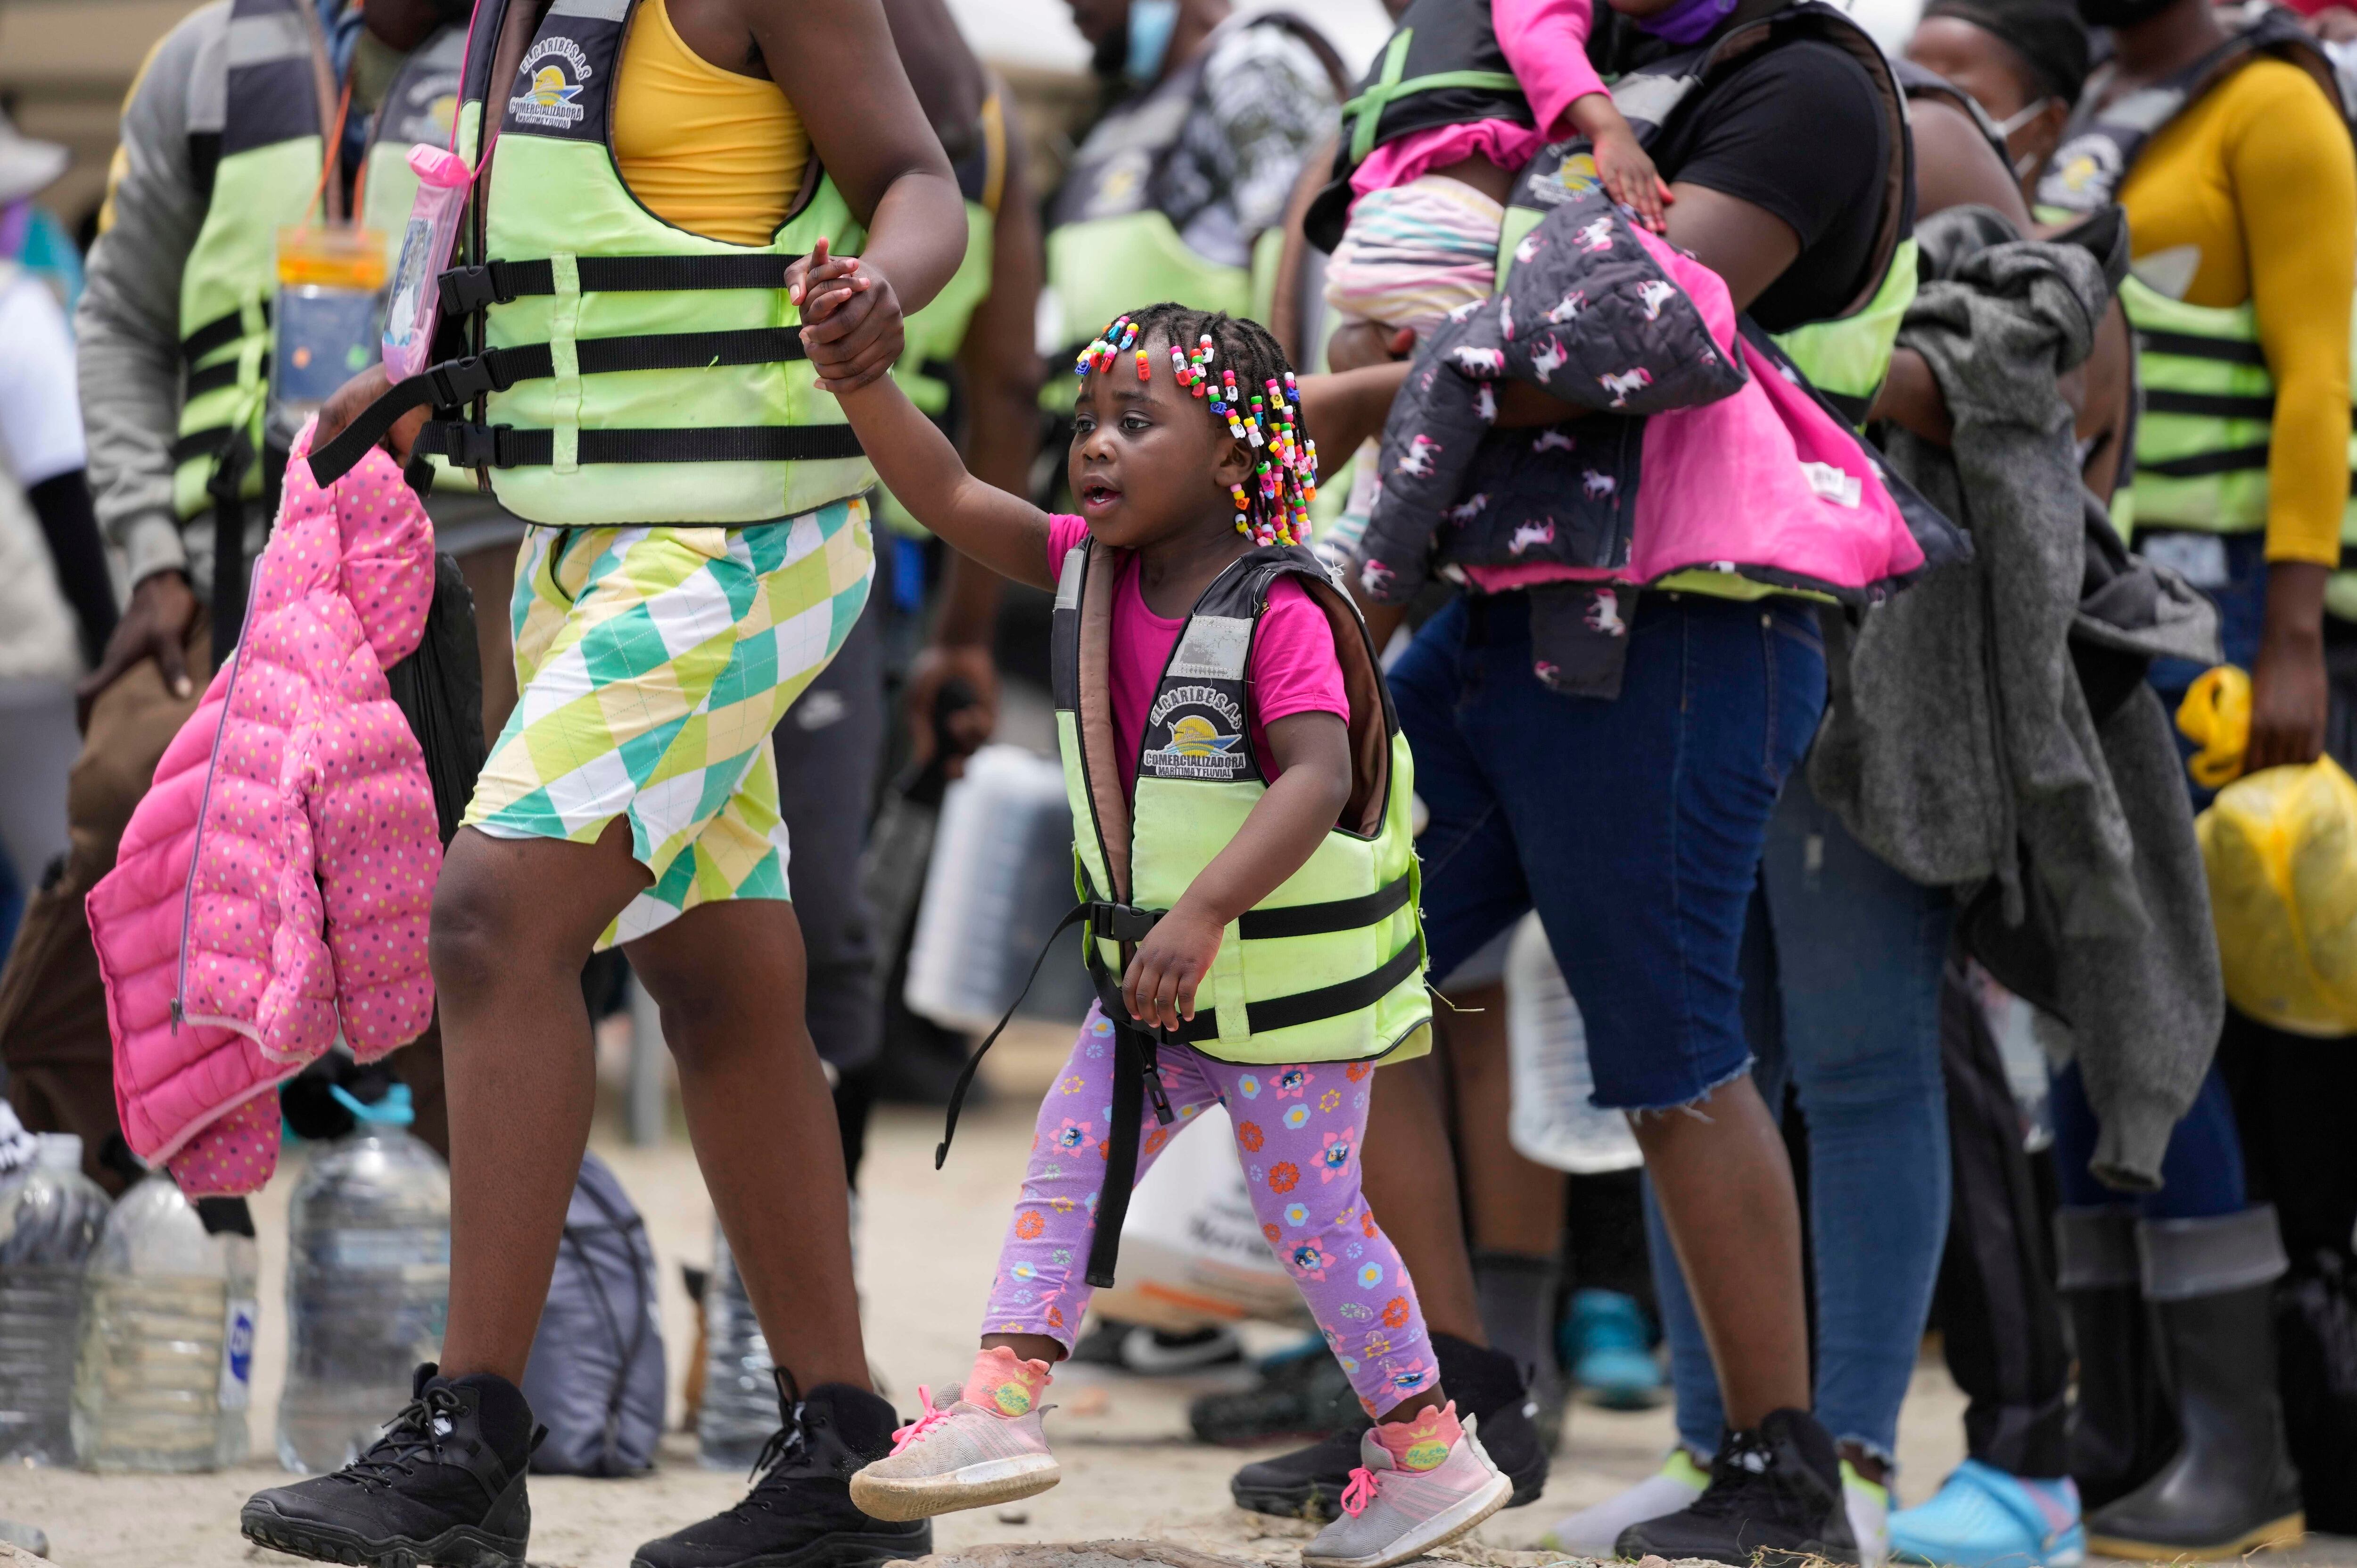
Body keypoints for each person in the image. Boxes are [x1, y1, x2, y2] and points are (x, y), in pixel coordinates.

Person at [235, 1, 968, 1565]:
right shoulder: (513, 13)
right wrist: (414, 387)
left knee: (493, 917)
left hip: (741, 536)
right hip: (583, 545)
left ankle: (472, 1438)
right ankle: (847, 1450)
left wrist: (879, 292)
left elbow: (924, 181)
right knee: (719, 981)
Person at [1243, 0, 1933, 1561]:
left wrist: (1380, 385)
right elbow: (1462, 310)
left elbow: (1621, 339)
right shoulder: (1593, 85)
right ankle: (1449, 1405)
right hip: (1504, 613)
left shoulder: (1807, 87)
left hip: (1679, 636)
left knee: (1671, 1054)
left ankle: (1784, 1475)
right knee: (1329, 957)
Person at [803, 279, 1492, 1568]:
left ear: (1233, 455)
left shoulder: (1280, 607)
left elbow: (1317, 778)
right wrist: (860, 379)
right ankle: (1002, 1399)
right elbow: (945, 493)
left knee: (1318, 1228)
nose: (1098, 446)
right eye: (1088, 423)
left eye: (1138, 421)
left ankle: (1428, 1452)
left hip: (1281, 1004)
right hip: (1157, 1000)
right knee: (1066, 1169)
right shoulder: (1084, 568)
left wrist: (1206, 910)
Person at [0, 0, 502, 1182]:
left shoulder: (537, 54)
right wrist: (149, 558)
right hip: (230, 553)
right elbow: (122, 324)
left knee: (463, 879)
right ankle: (106, 1207)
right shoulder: (203, 62)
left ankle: (465, 1242)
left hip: (456, 549)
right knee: (126, 806)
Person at [2029, 0, 2355, 1552]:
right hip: (2091, 602)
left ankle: (2245, 1437)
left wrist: (2293, 631)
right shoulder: (2095, 94)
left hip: (2218, 612)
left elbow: (2318, 377)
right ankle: (2126, 1412)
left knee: (2182, 1006)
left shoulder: (2268, 103)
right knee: (2091, 1000)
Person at [1312, 0, 1673, 361]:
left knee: (1360, 351)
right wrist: (1610, 130)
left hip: (1371, 234)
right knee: (1463, 378)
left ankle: (1343, 363)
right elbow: (1540, 39)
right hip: (1450, 232)